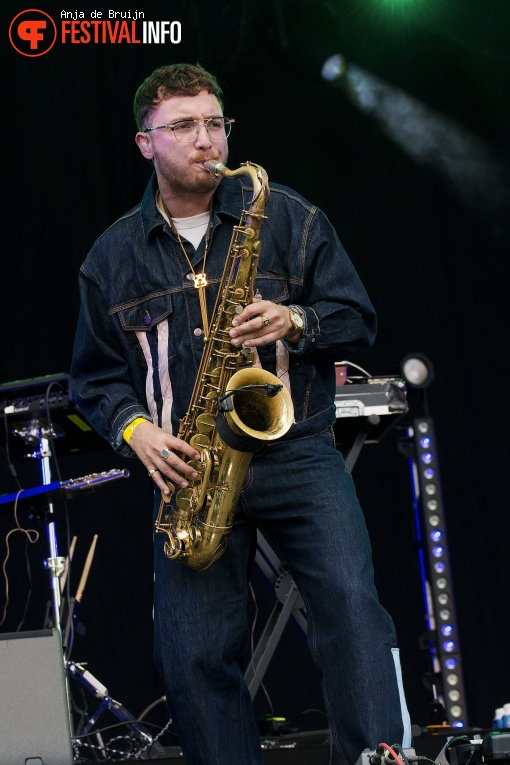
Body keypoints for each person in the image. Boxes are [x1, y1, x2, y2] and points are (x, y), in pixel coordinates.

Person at [71, 63, 411, 765]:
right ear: (145, 143)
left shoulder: (287, 214)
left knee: (351, 608)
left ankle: (379, 757)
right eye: (186, 126)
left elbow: (357, 317)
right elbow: (95, 378)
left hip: (296, 449)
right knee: (191, 656)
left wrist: (295, 318)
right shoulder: (110, 258)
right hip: (190, 468)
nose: (207, 141)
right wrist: (136, 431)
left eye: (215, 123)